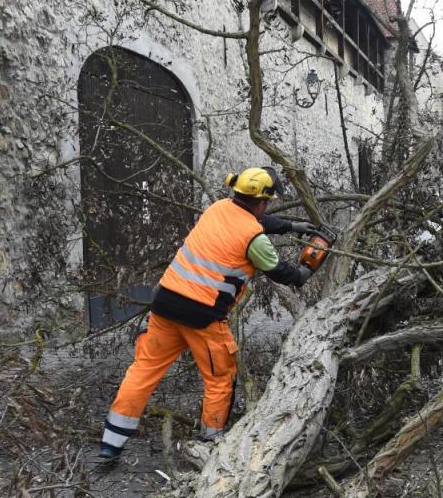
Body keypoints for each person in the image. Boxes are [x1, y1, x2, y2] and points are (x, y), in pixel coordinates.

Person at [98, 167, 321, 461]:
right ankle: (211, 442)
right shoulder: (254, 238)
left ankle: (110, 443)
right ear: (264, 201)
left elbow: (255, 220)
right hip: (202, 316)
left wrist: (292, 227)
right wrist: (304, 271)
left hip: (165, 303)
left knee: (143, 371)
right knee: (220, 377)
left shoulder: (218, 208)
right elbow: (280, 271)